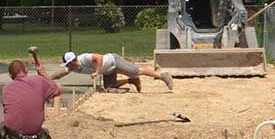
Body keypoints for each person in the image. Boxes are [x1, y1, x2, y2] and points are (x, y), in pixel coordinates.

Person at [0, 59, 61, 139]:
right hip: (34, 133)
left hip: (12, 136)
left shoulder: (6, 88)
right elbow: (57, 90)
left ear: (10, 75)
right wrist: (44, 74)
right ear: (26, 70)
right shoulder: (39, 81)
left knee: (1, 110)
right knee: (43, 134)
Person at [35, 47, 173, 93]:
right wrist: (48, 78)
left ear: (72, 61)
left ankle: (162, 76)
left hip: (113, 62)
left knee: (138, 70)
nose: (66, 66)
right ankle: (132, 80)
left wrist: (96, 71)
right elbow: (60, 74)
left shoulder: (83, 58)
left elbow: (99, 58)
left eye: (67, 64)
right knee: (109, 88)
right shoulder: (72, 68)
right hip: (107, 71)